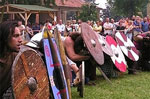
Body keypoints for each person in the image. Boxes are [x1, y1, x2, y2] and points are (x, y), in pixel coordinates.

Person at [0, 21, 23, 98]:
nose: (20, 40)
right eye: (15, 36)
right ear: (5, 38)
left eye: (20, 35)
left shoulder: (16, 58)